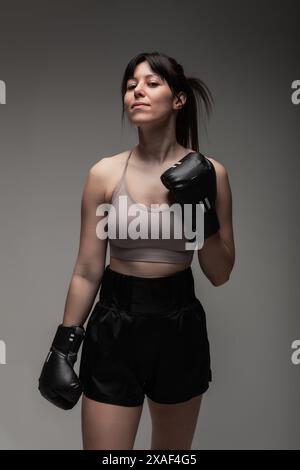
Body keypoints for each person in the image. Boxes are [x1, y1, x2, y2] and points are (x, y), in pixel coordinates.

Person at [38, 51, 235, 450]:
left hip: (179, 326)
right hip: (114, 324)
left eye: (151, 83)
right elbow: (88, 269)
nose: (136, 93)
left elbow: (219, 271)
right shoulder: (105, 174)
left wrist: (204, 209)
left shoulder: (211, 174)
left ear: (178, 100)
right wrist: (63, 347)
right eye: (130, 86)